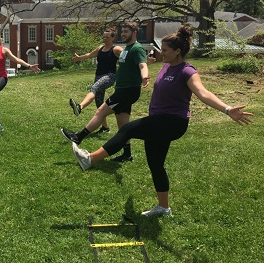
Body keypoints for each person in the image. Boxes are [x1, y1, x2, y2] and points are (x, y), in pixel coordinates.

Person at [71, 24, 253, 217]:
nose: (161, 52)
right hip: (160, 120)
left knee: (128, 130)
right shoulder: (167, 66)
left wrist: (227, 109)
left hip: (173, 122)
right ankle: (164, 208)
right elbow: (142, 65)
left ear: (177, 51)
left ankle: (89, 158)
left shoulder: (187, 71)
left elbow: (203, 93)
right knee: (155, 164)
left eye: (165, 50)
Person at [61, 21, 149, 162]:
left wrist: (145, 75)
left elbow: (142, 64)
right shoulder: (127, 48)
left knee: (101, 111)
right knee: (122, 124)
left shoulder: (136, 48)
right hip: (124, 90)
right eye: (123, 32)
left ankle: (78, 137)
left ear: (135, 33)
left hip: (127, 91)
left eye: (126, 32)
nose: (123, 34)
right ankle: (127, 154)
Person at [68, 27, 123, 134]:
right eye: (104, 37)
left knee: (94, 88)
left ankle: (80, 107)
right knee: (99, 104)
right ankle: (105, 128)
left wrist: (144, 60)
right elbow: (89, 55)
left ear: (113, 38)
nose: (105, 39)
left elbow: (128, 55)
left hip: (110, 76)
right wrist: (79, 58)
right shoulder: (100, 49)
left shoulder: (116, 49)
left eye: (107, 37)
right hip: (98, 76)